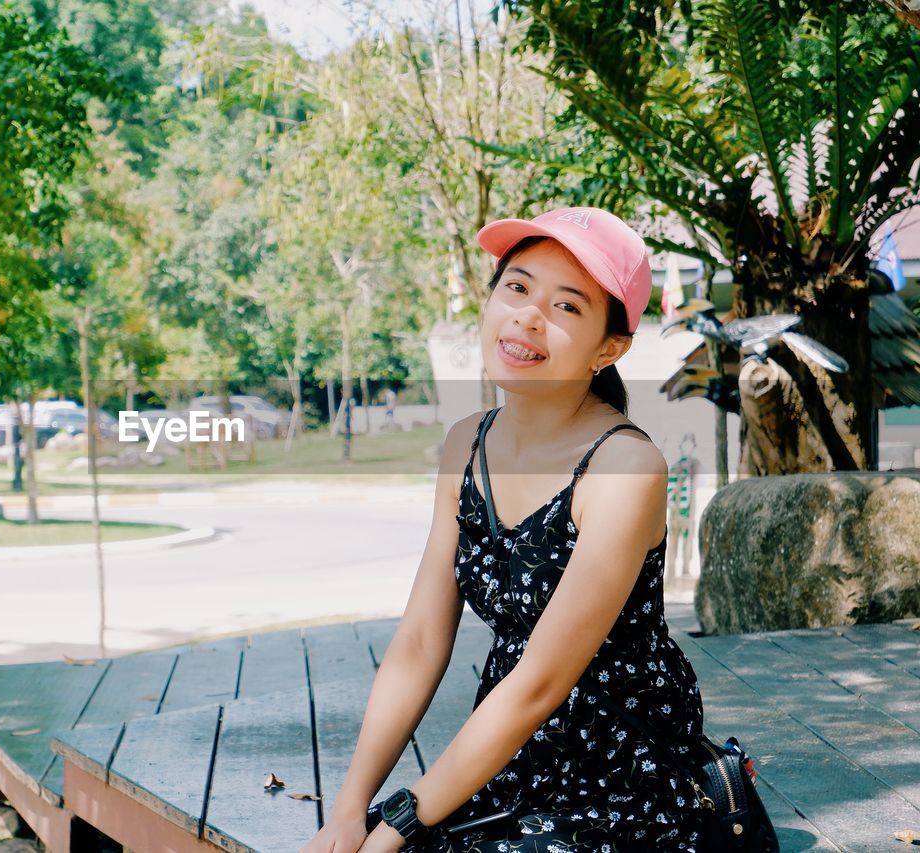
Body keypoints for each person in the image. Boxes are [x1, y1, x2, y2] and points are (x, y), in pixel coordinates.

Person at [299, 206, 707, 852]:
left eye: (567, 306)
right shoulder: (466, 444)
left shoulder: (624, 466)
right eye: (516, 287)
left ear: (610, 347)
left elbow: (541, 681)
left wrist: (400, 823)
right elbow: (419, 641)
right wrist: (350, 810)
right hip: (504, 755)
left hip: (620, 773)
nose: (528, 315)